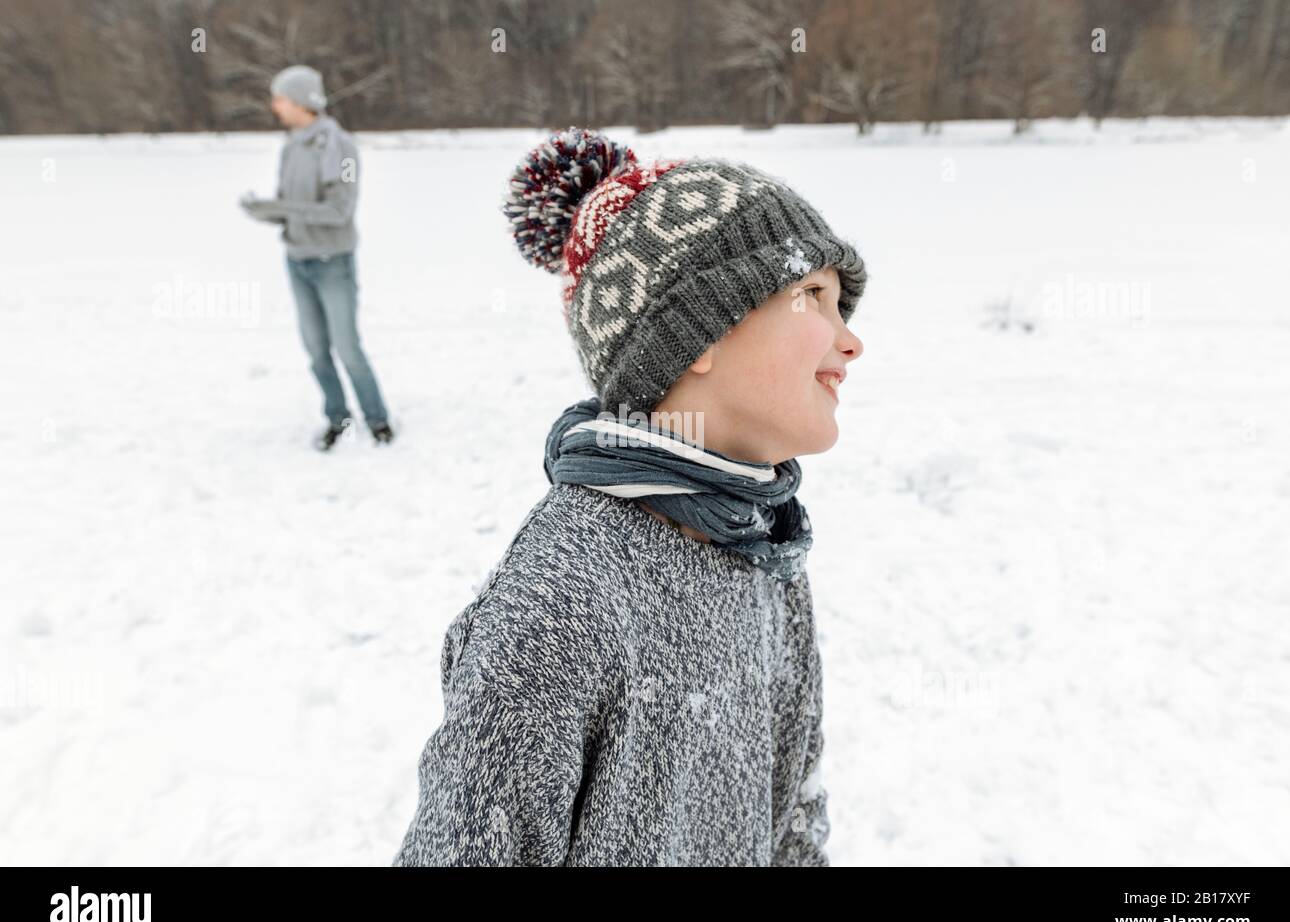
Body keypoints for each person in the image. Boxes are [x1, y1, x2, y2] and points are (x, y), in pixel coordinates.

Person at [391, 127, 867, 866]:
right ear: (697, 335)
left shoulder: (769, 551)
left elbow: (793, 814)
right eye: (813, 295)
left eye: (843, 306)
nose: (849, 341)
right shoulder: (564, 597)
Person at [239, 64, 394, 451]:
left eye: (280, 99)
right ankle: (336, 417)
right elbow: (295, 207)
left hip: (333, 263)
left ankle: (377, 420)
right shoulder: (292, 145)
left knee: (347, 347)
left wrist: (284, 208)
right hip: (298, 261)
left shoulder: (338, 147)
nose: (275, 107)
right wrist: (266, 210)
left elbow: (338, 211)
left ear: (301, 102)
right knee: (315, 349)